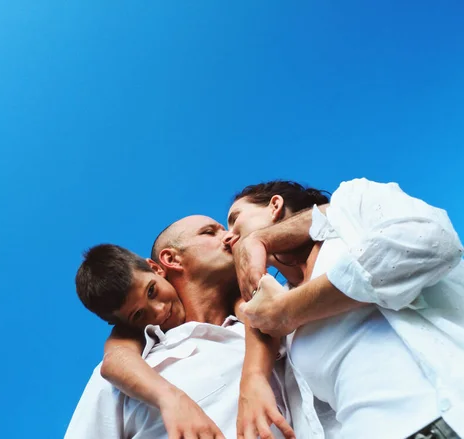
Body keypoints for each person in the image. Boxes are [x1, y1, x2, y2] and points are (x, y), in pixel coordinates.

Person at [224, 178, 464, 438]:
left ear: (275, 205)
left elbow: (429, 243)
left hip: (439, 421)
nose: (227, 236)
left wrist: (291, 308)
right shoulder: (279, 317)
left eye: (235, 219)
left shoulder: (351, 210)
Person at [72, 216, 295, 439]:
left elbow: (321, 220)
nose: (159, 310)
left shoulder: (279, 315)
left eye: (152, 291)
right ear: (169, 259)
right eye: (209, 232)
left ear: (154, 270)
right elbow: (114, 359)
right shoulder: (130, 373)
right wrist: (172, 398)